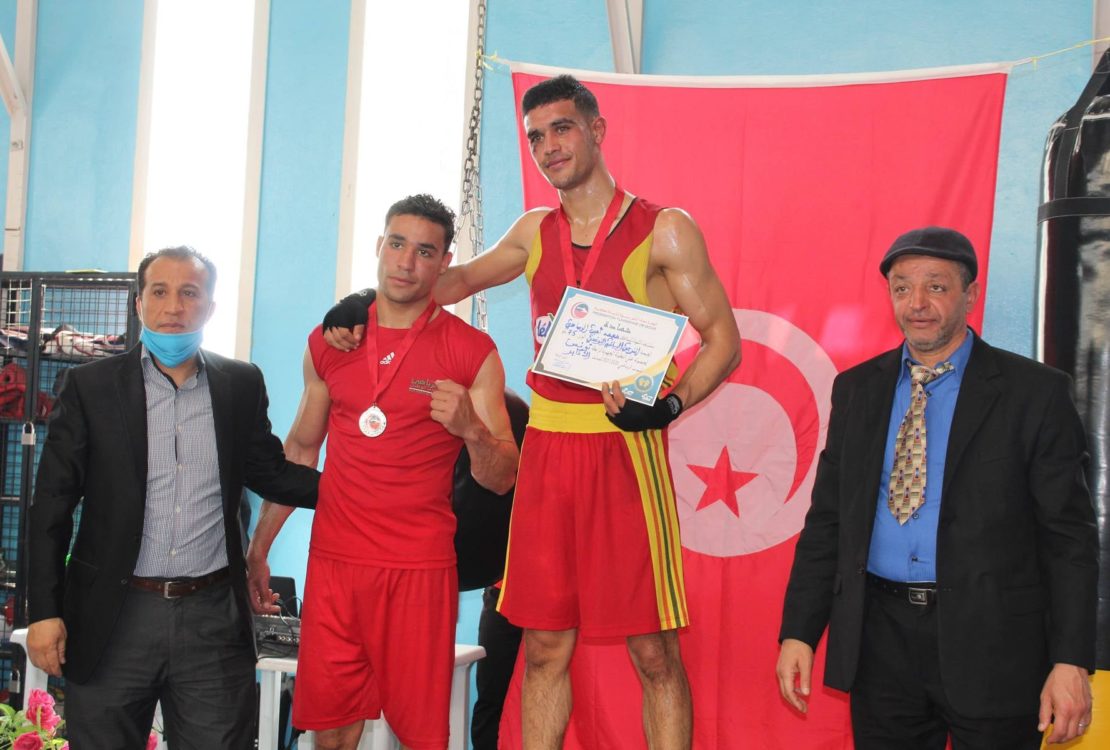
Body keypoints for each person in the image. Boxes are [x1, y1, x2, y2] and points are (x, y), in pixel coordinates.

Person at [323, 75, 741, 749]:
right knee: (544, 645)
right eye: (536, 136)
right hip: (547, 453)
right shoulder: (534, 231)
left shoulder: (663, 230)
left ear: (597, 131)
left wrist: (668, 406)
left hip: (623, 452)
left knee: (654, 651)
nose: (549, 146)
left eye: (562, 128)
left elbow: (723, 340)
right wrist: (363, 304)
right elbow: (446, 283)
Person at [775, 226, 1098, 749]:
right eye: (902, 288)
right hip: (879, 643)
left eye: (936, 287)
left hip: (995, 643)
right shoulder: (857, 390)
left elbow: (1069, 539)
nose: (917, 304)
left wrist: (1070, 660)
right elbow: (829, 521)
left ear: (971, 294)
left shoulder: (1035, 394)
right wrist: (800, 631)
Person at [247, 194, 518, 750]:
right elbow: (301, 451)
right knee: (332, 725)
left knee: (418, 732)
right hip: (337, 563)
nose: (405, 262)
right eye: (396, 244)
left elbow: (502, 476)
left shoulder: (472, 352)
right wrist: (259, 549)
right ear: (379, 246)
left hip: (419, 567)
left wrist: (471, 429)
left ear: (444, 263)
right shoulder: (331, 343)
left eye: (424, 251)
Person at [26, 246, 320, 749]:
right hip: (113, 616)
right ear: (139, 303)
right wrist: (43, 611)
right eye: (159, 291)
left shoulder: (239, 384)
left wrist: (365, 490)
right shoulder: (90, 386)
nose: (174, 306)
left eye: (190, 293)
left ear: (209, 306)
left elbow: (271, 473)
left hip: (212, 620)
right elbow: (51, 505)